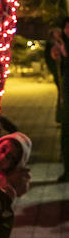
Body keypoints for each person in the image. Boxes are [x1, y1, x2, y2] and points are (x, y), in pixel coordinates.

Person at [45, 17, 69, 180]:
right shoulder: (58, 44)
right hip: (66, 100)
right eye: (67, 27)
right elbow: (55, 67)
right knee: (66, 137)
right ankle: (67, 170)